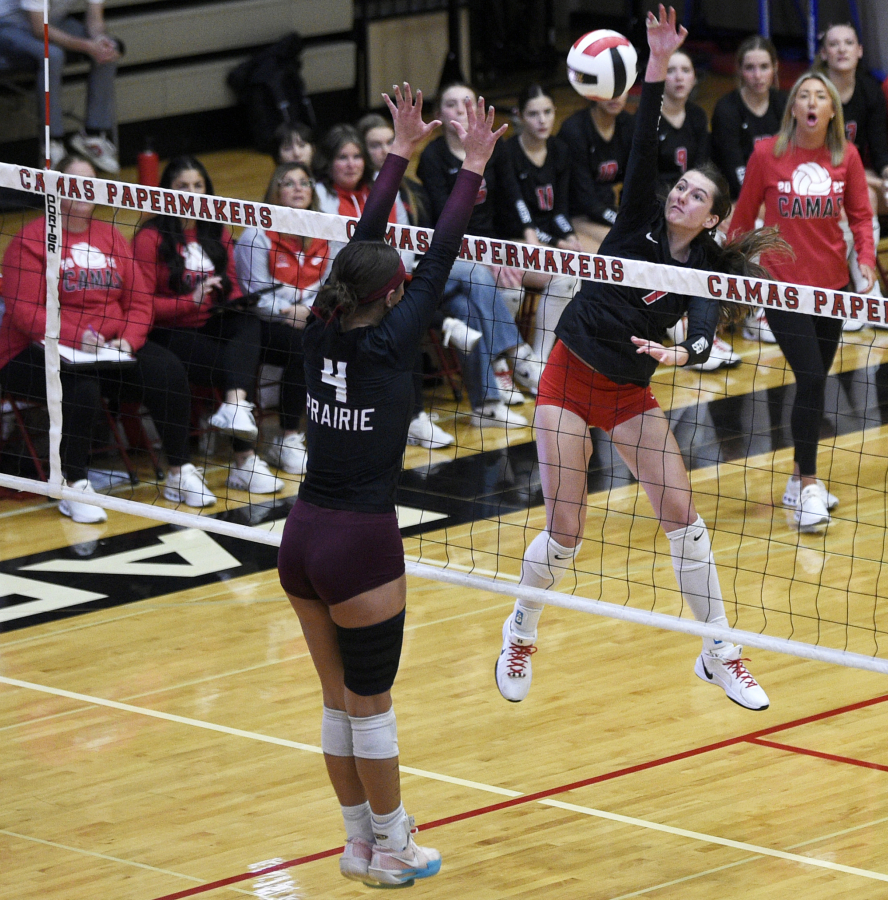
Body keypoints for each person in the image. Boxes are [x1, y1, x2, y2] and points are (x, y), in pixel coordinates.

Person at [495, 6, 783, 712]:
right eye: (682, 187)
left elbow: (706, 333)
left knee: (684, 517)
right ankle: (520, 629)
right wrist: (654, 60)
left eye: (697, 195)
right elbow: (647, 130)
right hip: (567, 376)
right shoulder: (636, 222)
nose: (682, 193)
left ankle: (720, 649)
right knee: (565, 535)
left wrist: (677, 349)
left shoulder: (704, 270)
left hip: (628, 395)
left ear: (712, 220)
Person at [278, 83, 505, 887]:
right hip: (360, 543)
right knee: (371, 708)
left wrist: (400, 154)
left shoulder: (320, 326)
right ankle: (392, 843)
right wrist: (471, 166)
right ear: (396, 296)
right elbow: (441, 250)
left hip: (301, 537)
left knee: (340, 701)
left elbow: (361, 250)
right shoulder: (390, 342)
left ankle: (356, 845)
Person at [0, 155, 215, 522]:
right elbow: (25, 312)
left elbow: (140, 302)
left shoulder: (111, 235)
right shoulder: (30, 240)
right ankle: (72, 484)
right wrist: (76, 337)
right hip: (29, 352)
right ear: (54, 187)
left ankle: (180, 471)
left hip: (106, 349)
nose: (84, 189)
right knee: (79, 386)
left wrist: (127, 342)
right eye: (74, 181)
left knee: (166, 369)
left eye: (91, 181)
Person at [730, 69, 876, 530]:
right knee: (812, 377)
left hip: (833, 288)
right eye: (804, 95)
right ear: (793, 107)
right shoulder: (766, 155)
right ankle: (809, 485)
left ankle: (797, 479)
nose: (812, 102)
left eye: (821, 96)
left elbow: (860, 215)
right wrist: (734, 277)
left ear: (832, 110)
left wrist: (866, 261)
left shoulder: (846, 156)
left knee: (815, 382)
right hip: (783, 288)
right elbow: (741, 217)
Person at [133, 156, 284, 495]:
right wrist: (191, 301)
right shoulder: (150, 238)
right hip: (170, 331)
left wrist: (231, 296)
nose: (191, 192)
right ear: (167, 191)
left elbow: (231, 278)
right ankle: (244, 458)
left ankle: (234, 408)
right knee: (231, 364)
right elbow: (141, 305)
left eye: (197, 185)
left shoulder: (215, 229)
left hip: (213, 320)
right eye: (182, 186)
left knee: (247, 321)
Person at [417, 81, 543, 426]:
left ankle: (523, 370)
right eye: (451, 104)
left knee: (559, 276)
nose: (459, 109)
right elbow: (447, 220)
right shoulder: (432, 158)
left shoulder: (494, 148)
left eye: (466, 102)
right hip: (458, 252)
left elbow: (512, 198)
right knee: (487, 285)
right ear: (438, 114)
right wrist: (487, 260)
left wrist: (528, 233)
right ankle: (512, 359)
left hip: (495, 246)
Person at [357, 112, 458, 450]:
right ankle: (446, 326)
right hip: (360, 287)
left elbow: (419, 240)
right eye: (374, 145)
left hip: (398, 281)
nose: (384, 150)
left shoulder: (409, 191)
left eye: (390, 142)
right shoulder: (349, 195)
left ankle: (417, 417)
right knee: (407, 322)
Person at [234, 162, 325, 475]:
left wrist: (311, 312)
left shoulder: (327, 230)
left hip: (311, 317)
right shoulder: (256, 235)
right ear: (275, 191)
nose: (298, 188)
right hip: (265, 325)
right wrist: (293, 313)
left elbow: (333, 285)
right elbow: (255, 296)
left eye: (304, 182)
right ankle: (287, 438)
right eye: (289, 183)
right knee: (303, 345)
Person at [711, 35, 788, 344]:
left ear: (775, 69)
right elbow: (734, 168)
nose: (758, 76)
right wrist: (762, 202)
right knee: (757, 229)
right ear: (740, 71)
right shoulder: (727, 109)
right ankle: (757, 315)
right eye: (750, 68)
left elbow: (791, 158)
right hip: (736, 197)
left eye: (764, 67)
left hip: (776, 194)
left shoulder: (784, 105)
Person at [497, 83, 581, 362]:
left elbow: (560, 208)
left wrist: (567, 236)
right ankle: (539, 359)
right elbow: (518, 213)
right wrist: (553, 242)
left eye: (547, 112)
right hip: (516, 235)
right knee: (564, 272)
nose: (542, 120)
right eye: (533, 114)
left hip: (544, 234)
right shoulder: (508, 152)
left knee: (586, 262)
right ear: (519, 116)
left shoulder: (559, 150)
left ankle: (550, 352)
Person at [817, 22, 888, 325]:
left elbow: (880, 146)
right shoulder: (814, 90)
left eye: (849, 43)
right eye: (834, 44)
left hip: (855, 173)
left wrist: (886, 175)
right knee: (859, 194)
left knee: (871, 196)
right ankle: (845, 290)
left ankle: (865, 288)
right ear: (824, 52)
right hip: (815, 174)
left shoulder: (870, 91)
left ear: (859, 51)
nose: (842, 49)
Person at [0, 0, 120, 170]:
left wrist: (99, 40)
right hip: (9, 23)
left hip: (52, 20)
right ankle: (51, 145)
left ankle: (93, 135)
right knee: (53, 56)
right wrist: (87, 46)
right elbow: (40, 30)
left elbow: (95, 19)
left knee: (109, 49)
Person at [556, 93, 635, 252]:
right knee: (623, 247)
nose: (615, 97)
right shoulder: (574, 130)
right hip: (575, 215)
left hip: (607, 210)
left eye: (621, 89)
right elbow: (586, 200)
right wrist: (621, 221)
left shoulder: (628, 123)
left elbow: (635, 180)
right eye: (609, 90)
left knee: (641, 240)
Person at [656, 48, 711, 197]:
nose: (679, 77)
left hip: (690, 197)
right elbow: (646, 179)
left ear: (694, 78)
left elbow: (701, 168)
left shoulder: (698, 116)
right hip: (656, 201)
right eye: (670, 71)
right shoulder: (647, 120)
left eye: (685, 70)